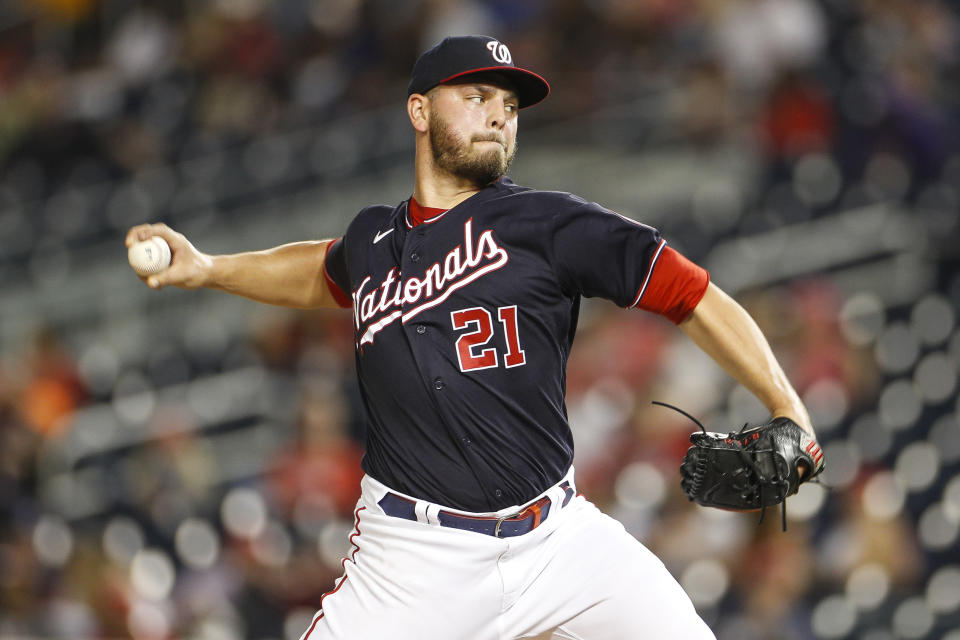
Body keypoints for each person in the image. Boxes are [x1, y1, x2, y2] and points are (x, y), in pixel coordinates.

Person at [126, 35, 820, 640]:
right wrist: (210, 269)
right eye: (479, 94)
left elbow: (692, 293)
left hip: (559, 540)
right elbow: (323, 272)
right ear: (419, 110)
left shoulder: (547, 224)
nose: (499, 114)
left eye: (510, 106)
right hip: (413, 560)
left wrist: (790, 409)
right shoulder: (375, 238)